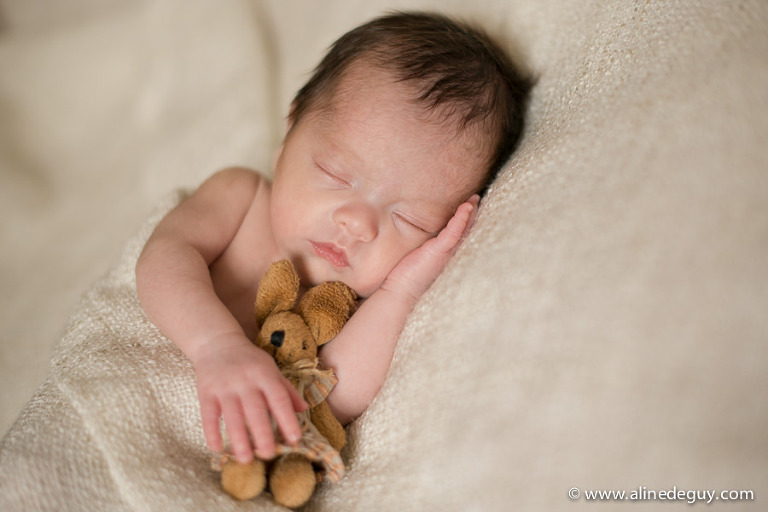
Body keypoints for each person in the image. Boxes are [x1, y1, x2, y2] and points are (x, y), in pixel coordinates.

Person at [135, 11, 529, 466]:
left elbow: (331, 402)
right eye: (336, 174)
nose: (357, 224)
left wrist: (402, 290)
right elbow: (163, 257)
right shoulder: (240, 198)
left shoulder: (362, 306)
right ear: (291, 130)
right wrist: (215, 346)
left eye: (411, 220)